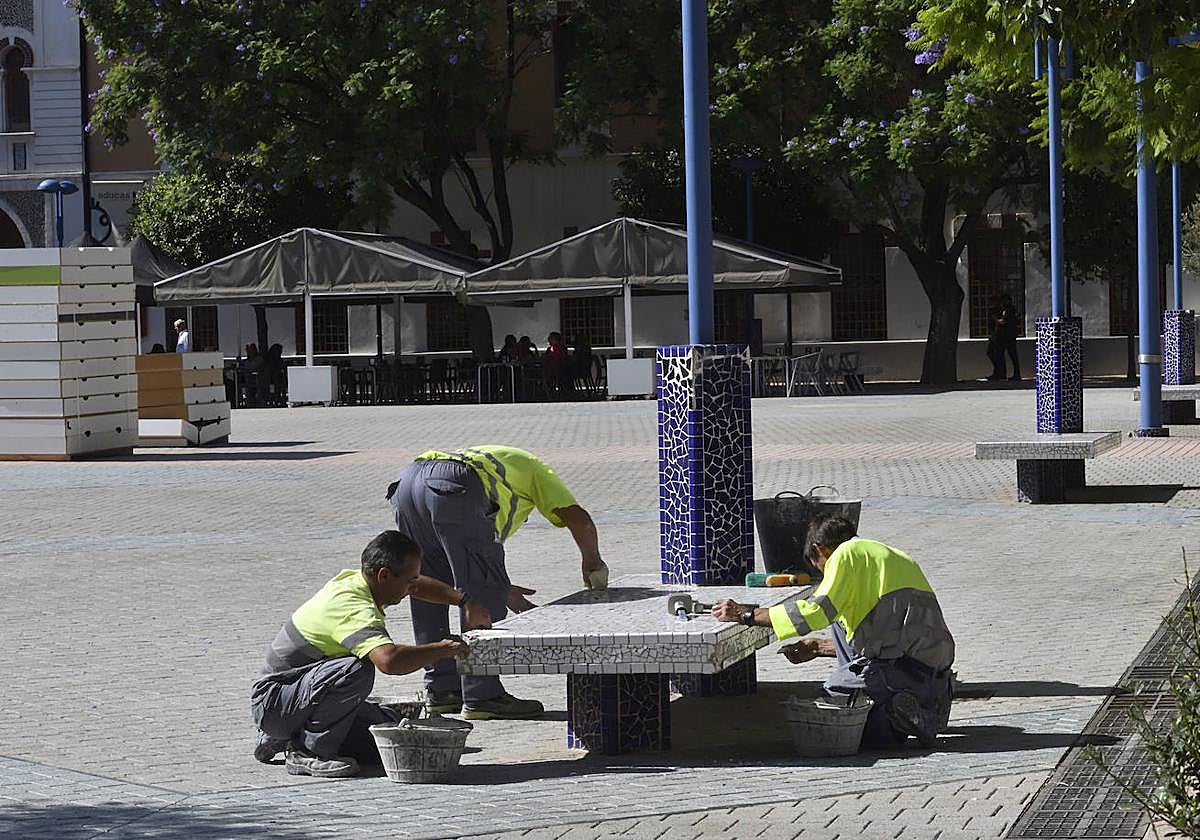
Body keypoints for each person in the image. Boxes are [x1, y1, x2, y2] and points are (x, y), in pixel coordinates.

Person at [386, 445, 607, 719]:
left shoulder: (498, 465)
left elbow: (466, 566)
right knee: (480, 596)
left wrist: (502, 588)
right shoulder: (536, 470)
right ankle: (483, 694)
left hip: (408, 483)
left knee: (425, 583)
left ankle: (443, 690)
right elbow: (579, 520)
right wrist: (592, 561)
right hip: (454, 486)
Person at [250, 531, 482, 778]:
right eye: (409, 580)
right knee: (356, 670)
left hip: (294, 695)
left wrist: (464, 601)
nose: (412, 588)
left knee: (387, 732)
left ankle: (286, 735)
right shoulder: (354, 608)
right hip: (274, 701)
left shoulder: (359, 580)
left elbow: (416, 584)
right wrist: (443, 649)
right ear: (384, 575)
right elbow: (389, 661)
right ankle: (308, 752)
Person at [711, 514, 954, 748]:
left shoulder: (845, 554)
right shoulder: (889, 555)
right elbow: (887, 630)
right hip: (933, 673)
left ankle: (896, 717)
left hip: (902, 670)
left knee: (829, 710)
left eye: (820, 567)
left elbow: (816, 612)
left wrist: (747, 614)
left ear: (819, 549)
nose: (826, 574)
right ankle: (926, 706)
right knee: (839, 620)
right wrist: (818, 647)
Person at [986, 293, 1021, 381]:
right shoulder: (1004, 309)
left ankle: (1011, 374)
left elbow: (1003, 322)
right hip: (1002, 336)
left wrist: (995, 319)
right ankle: (1001, 373)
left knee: (1010, 355)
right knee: (1000, 355)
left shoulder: (1009, 310)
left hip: (1007, 337)